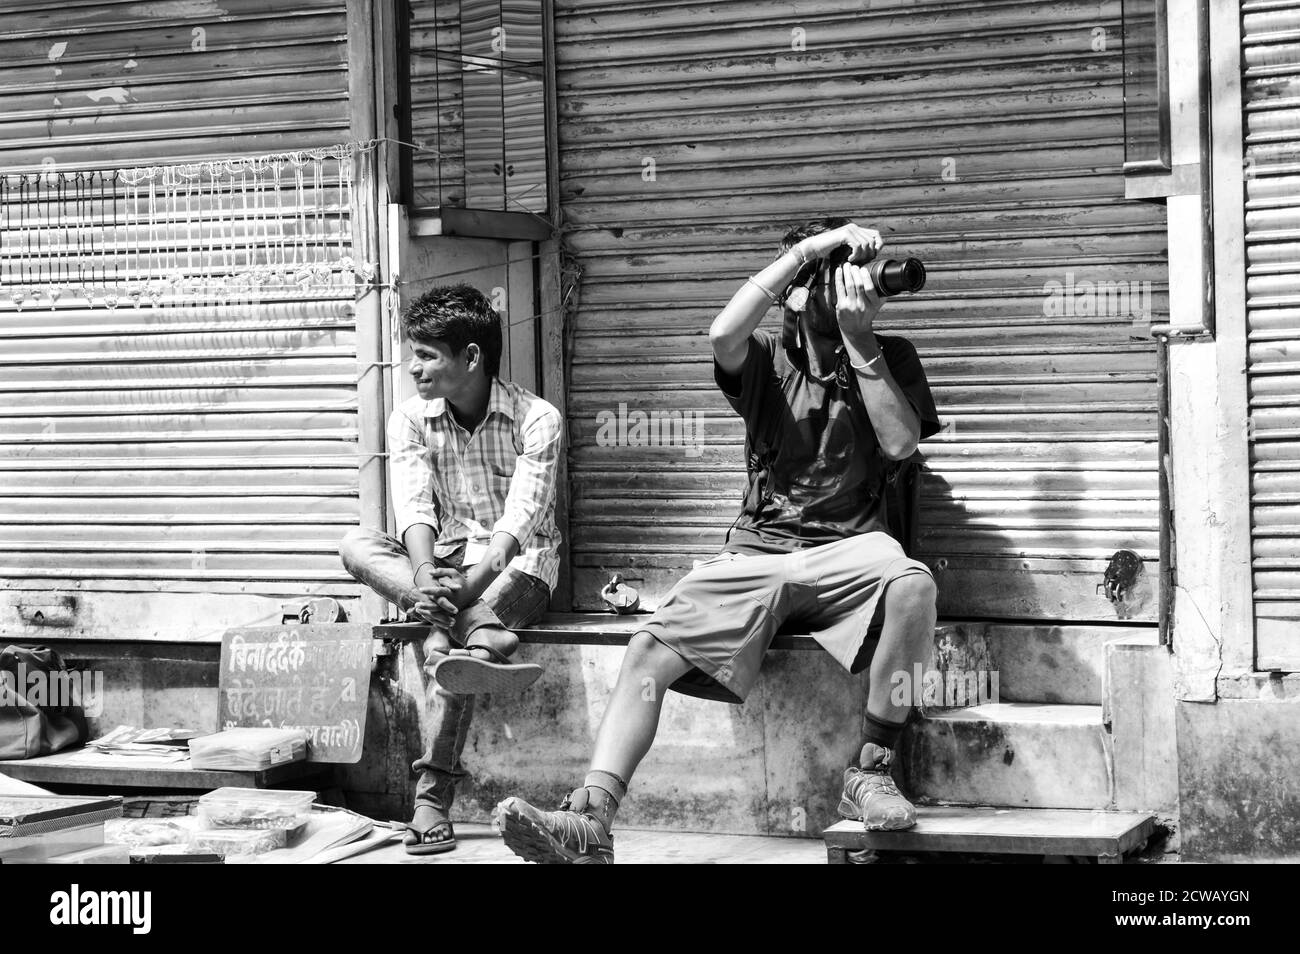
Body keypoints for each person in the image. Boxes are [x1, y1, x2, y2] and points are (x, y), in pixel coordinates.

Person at [494, 217, 941, 863]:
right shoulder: (762, 356)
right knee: (648, 648)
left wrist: (860, 338)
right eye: (822, 276)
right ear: (791, 289)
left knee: (913, 584)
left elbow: (900, 443)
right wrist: (808, 253)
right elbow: (721, 330)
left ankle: (869, 773)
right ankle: (591, 816)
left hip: (851, 549)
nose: (842, 286)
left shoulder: (885, 351)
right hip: (758, 551)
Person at [339, 284, 562, 855]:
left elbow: (521, 524)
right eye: (414, 353)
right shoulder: (410, 419)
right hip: (440, 564)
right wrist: (422, 578)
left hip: (521, 568)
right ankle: (485, 637)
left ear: (471, 357)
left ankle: (430, 800)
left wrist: (463, 594)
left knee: (448, 656)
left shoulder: (537, 418)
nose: (413, 368)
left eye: (428, 355)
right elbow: (413, 506)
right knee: (357, 545)